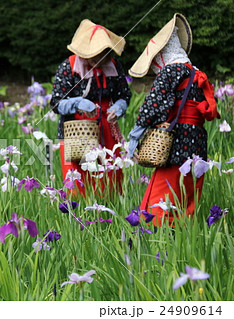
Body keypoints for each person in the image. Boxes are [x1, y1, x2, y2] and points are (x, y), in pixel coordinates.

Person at [127, 13, 219, 227]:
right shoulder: (197, 73)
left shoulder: (171, 71)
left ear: (162, 56)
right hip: (197, 141)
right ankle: (182, 239)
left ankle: (158, 244)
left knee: (160, 198)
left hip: (175, 140)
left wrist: (136, 134)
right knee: (186, 196)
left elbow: (154, 105)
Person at [50, 19, 131, 197]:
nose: (99, 60)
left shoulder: (113, 66)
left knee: (110, 177)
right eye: (95, 55)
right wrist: (77, 102)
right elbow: (55, 103)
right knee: (78, 180)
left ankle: (109, 215)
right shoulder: (68, 67)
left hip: (107, 129)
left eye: (103, 55)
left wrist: (119, 106)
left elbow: (124, 94)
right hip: (76, 130)